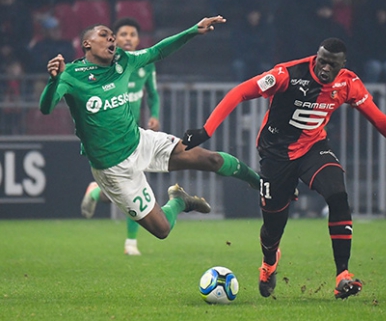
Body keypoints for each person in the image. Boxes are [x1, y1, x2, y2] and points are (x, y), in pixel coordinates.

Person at [182, 37, 386, 299]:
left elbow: (380, 120)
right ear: (315, 57)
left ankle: (343, 275)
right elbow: (239, 92)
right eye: (322, 61)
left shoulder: (349, 83)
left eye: (332, 64)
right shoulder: (287, 74)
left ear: (342, 65)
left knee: (338, 197)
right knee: (273, 229)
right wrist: (206, 130)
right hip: (276, 156)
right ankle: (269, 263)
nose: (325, 68)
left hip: (313, 149)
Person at [39, 16, 260, 245]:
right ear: (87, 43)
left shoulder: (123, 61)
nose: (111, 38)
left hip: (141, 142)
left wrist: (193, 30)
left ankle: (259, 182)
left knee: (211, 159)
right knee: (162, 229)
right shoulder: (71, 74)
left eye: (111, 36)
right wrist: (53, 81)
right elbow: (46, 108)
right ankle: (180, 201)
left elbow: (158, 51)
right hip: (114, 168)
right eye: (104, 35)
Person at [79, 17, 161, 256]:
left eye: (132, 34)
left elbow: (153, 94)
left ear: (138, 39)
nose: (127, 38)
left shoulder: (145, 65)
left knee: (131, 189)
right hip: (109, 138)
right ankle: (129, 241)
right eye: (122, 34)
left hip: (132, 136)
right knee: (129, 191)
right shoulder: (107, 64)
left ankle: (128, 240)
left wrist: (154, 114)